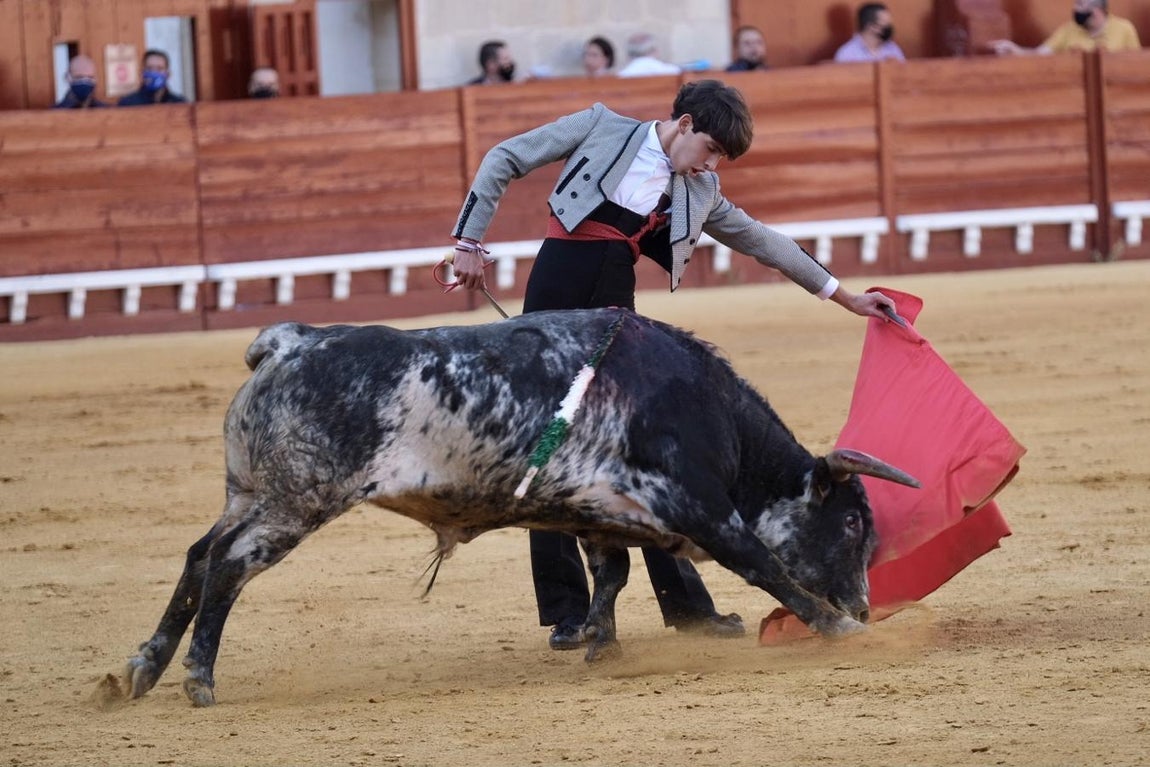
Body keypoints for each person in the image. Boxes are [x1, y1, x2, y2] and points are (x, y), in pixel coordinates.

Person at [449, 79, 900, 651]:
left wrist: (846, 297)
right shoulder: (600, 125)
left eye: (721, 158)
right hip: (554, 300)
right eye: (710, 149)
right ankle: (569, 613)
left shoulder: (700, 189)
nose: (711, 165)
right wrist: (468, 241)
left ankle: (688, 609)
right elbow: (504, 156)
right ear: (684, 124)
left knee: (654, 455)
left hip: (616, 316)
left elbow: (763, 241)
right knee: (549, 447)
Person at [989, 0, 1140, 56]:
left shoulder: (1124, 29)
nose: (1075, 9)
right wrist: (1016, 50)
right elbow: (1041, 54)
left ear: (1096, 11)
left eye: (1080, 5)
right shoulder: (1068, 29)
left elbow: (1136, 63)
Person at [833, 3, 907, 63]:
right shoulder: (846, 54)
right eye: (886, 24)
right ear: (871, 26)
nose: (889, 27)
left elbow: (904, 73)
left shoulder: (893, 48)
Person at [118, 49, 187, 105]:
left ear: (168, 74)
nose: (154, 73)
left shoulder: (179, 103)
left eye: (159, 69)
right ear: (142, 73)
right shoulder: (128, 103)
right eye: (149, 68)